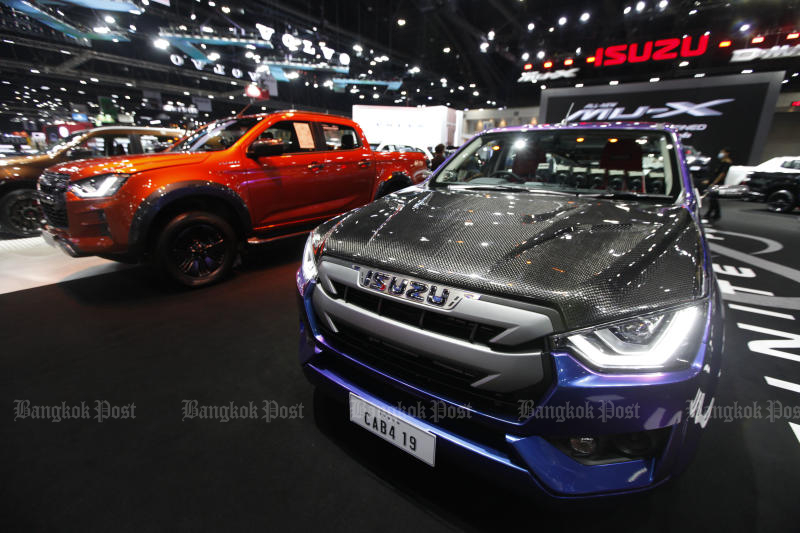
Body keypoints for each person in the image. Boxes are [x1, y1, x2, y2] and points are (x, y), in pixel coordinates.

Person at [703, 147, 732, 221]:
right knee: (712, 198)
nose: (721, 154)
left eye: (723, 152)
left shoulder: (727, 163)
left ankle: (715, 213)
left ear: (727, 153)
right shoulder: (721, 161)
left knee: (713, 198)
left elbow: (722, 174)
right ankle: (712, 213)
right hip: (714, 181)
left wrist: (714, 183)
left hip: (718, 182)